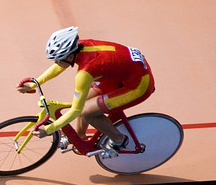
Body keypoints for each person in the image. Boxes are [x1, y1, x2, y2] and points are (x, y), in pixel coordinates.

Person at [18, 26, 155, 156]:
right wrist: (35, 84)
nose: (57, 63)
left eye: (59, 59)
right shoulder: (79, 46)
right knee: (83, 102)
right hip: (122, 73)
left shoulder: (84, 73)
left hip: (138, 84)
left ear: (70, 56)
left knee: (86, 112)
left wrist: (49, 129)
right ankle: (80, 136)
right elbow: (59, 67)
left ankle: (119, 140)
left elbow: (76, 111)